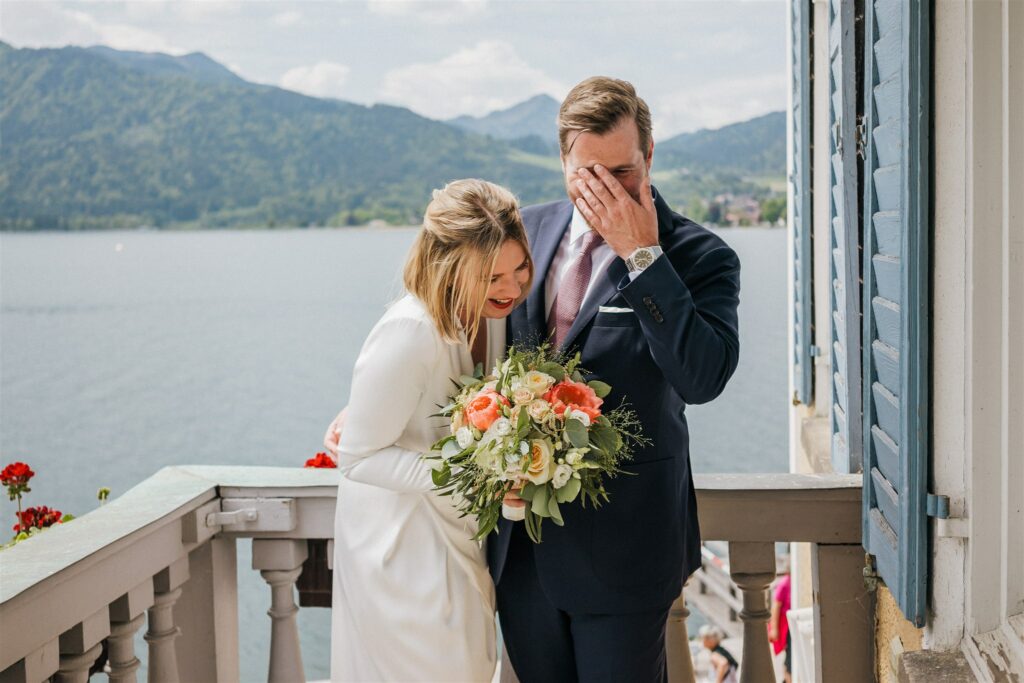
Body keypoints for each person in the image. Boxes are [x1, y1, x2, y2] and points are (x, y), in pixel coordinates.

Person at [489, 76, 741, 682]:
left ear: (649, 156)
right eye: (586, 175)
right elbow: (470, 337)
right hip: (523, 555)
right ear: (562, 162)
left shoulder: (702, 256)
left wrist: (644, 258)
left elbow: (702, 377)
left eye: (622, 172)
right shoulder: (521, 233)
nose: (605, 191)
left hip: (629, 556)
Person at [327, 179, 533, 682]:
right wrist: (473, 474)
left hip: (458, 538)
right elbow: (356, 456)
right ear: (451, 266)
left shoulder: (491, 315)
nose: (511, 288)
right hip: (403, 554)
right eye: (492, 277)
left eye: (520, 268)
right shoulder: (411, 328)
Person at [769, 556, 792, 682]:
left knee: (790, 656)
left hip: (789, 624)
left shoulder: (791, 581)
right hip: (785, 625)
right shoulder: (785, 583)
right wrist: (774, 628)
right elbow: (776, 606)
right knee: (789, 657)